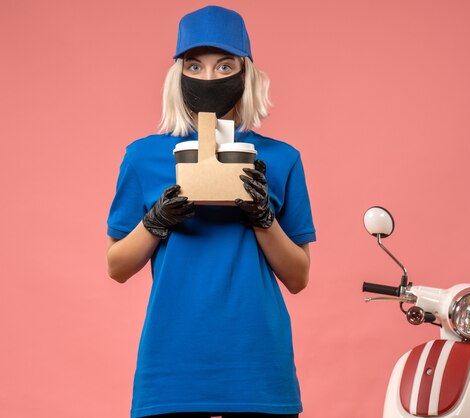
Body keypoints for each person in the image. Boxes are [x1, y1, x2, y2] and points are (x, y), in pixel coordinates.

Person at [106, 6, 315, 418]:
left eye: (225, 66)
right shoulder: (143, 156)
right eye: (194, 66)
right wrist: (156, 221)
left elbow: (298, 277)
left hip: (259, 369)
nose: (209, 77)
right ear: (178, 75)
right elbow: (117, 266)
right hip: (171, 370)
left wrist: (263, 219)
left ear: (246, 72)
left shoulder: (282, 159)